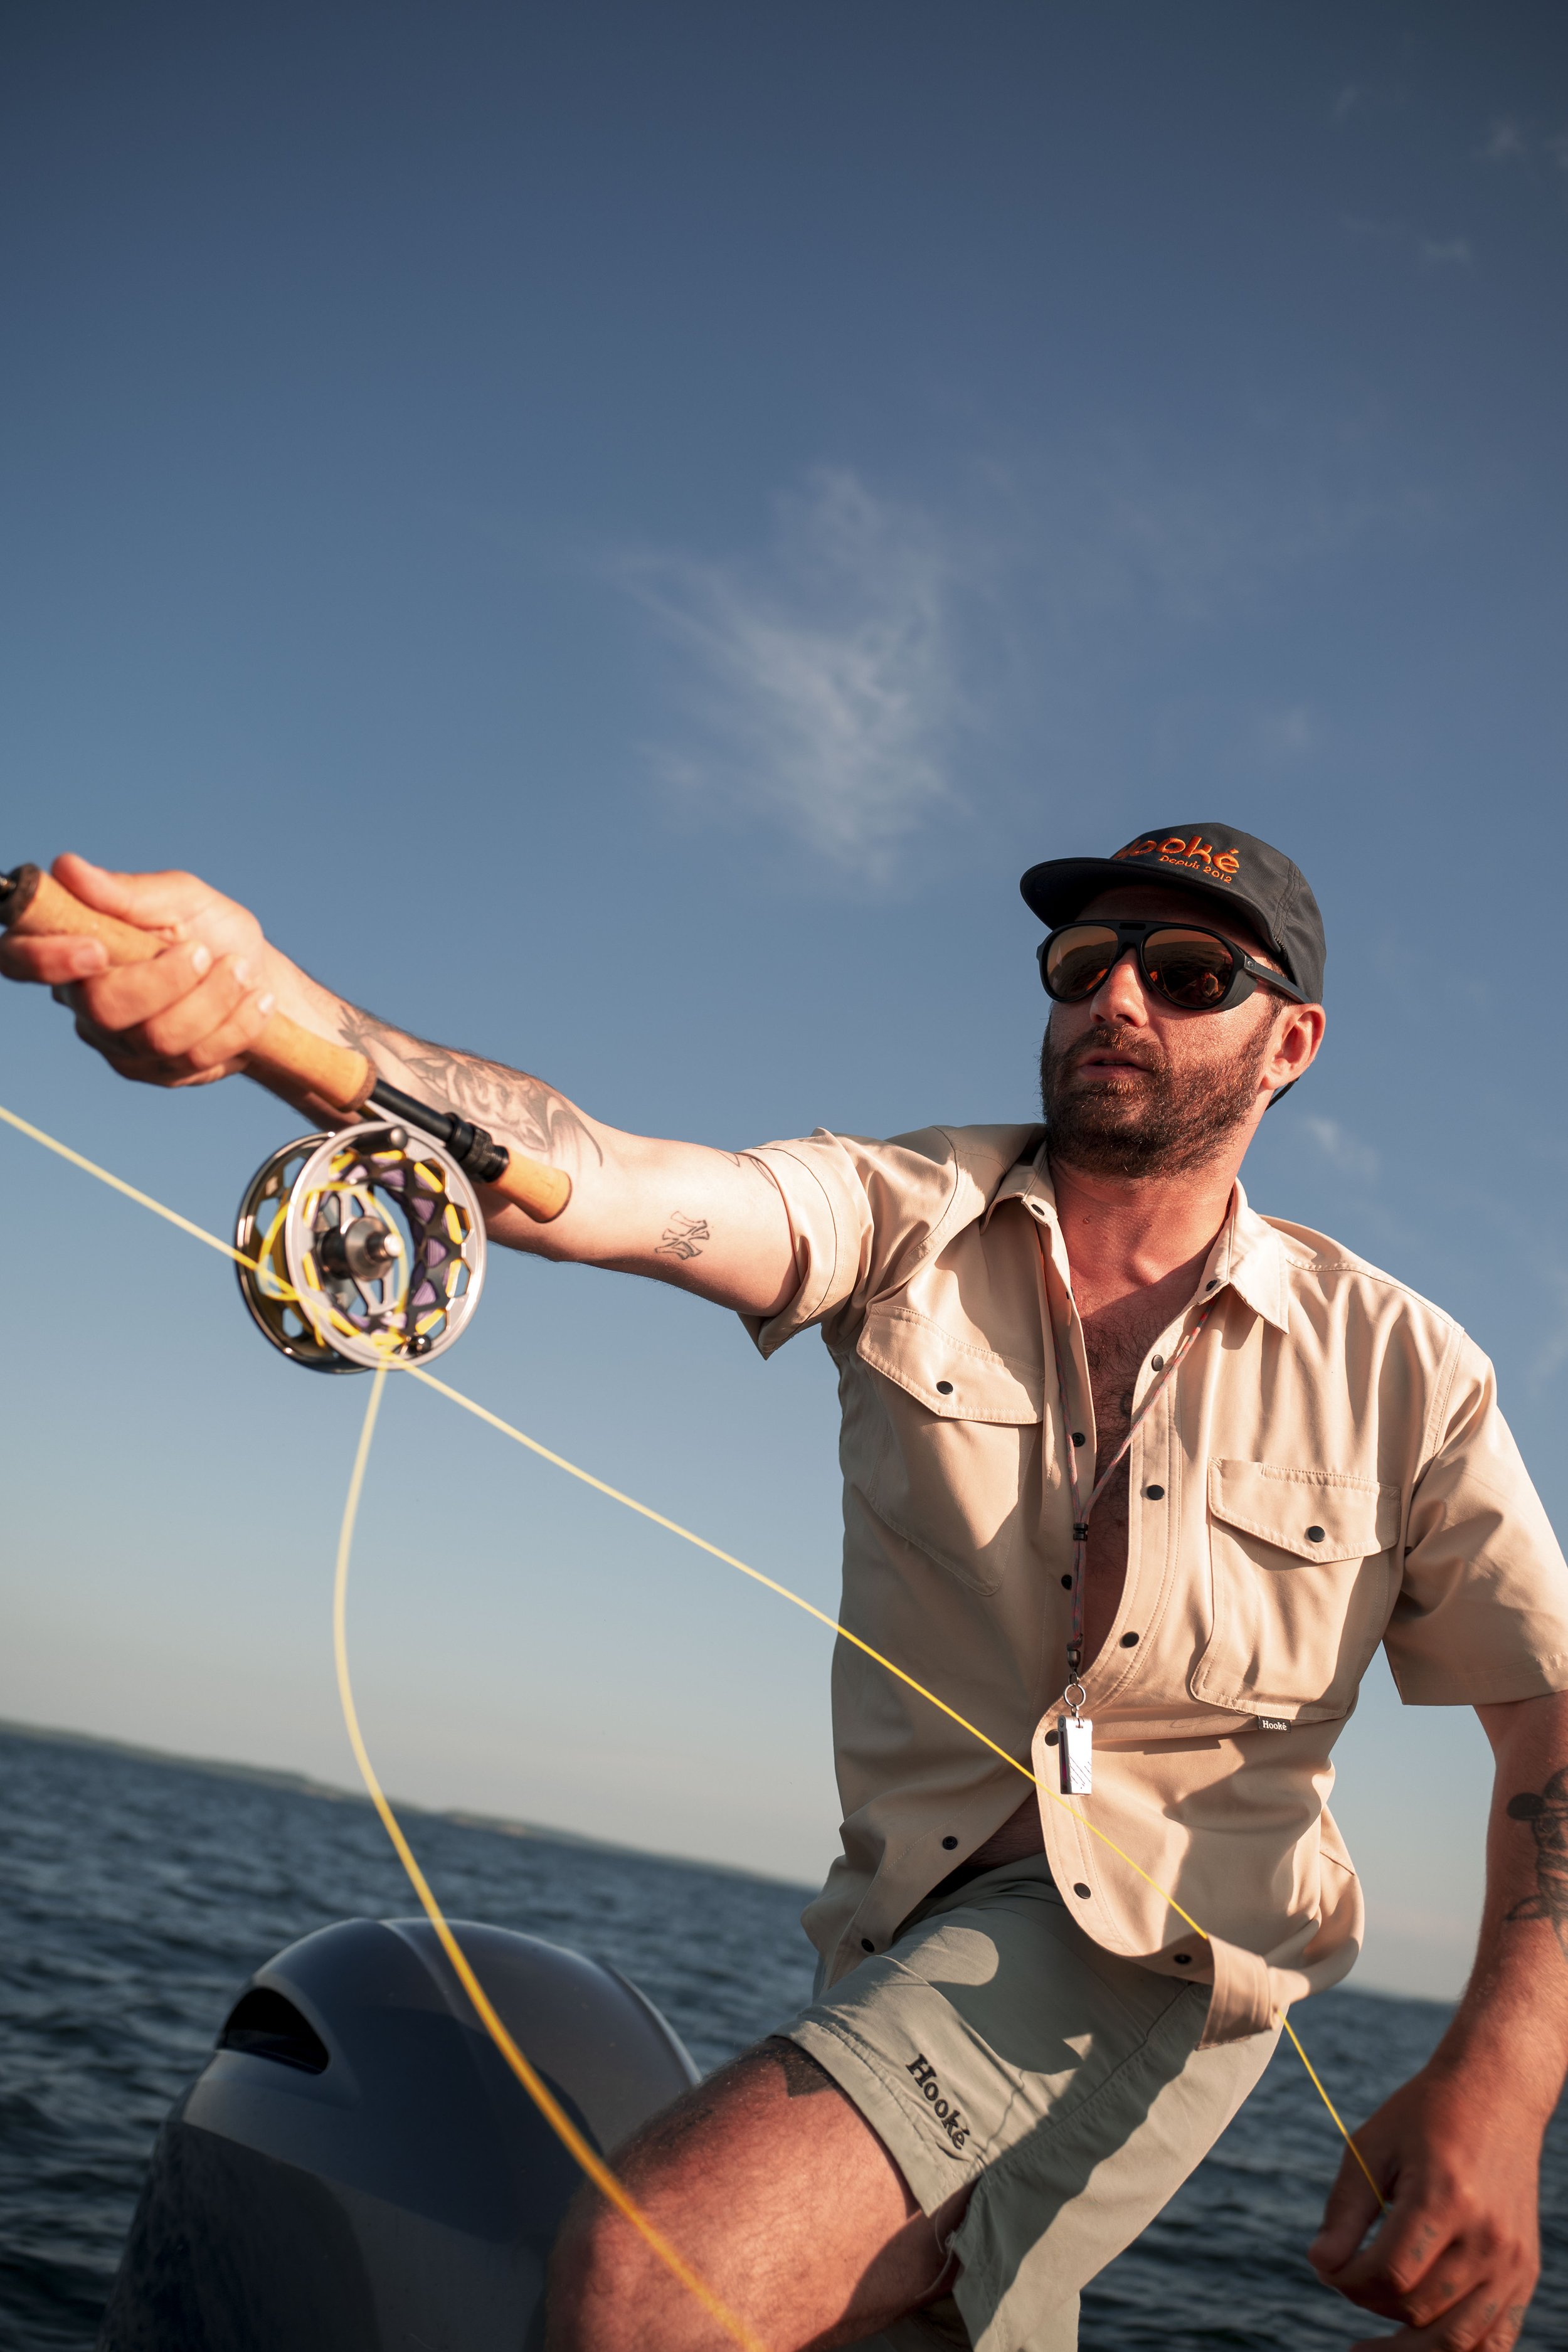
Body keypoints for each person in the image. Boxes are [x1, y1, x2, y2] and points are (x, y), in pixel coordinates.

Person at [6, 823, 1566, 2352]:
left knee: (655, 2282)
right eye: (1084, 959)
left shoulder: (1405, 1367)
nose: (1116, 999)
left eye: (1183, 971)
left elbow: (1548, 1718)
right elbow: (590, 1177)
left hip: (1165, 1947)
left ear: (1287, 1042)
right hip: (890, 1934)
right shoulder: (896, 1212)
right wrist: (281, 1004)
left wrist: (1498, 2087)